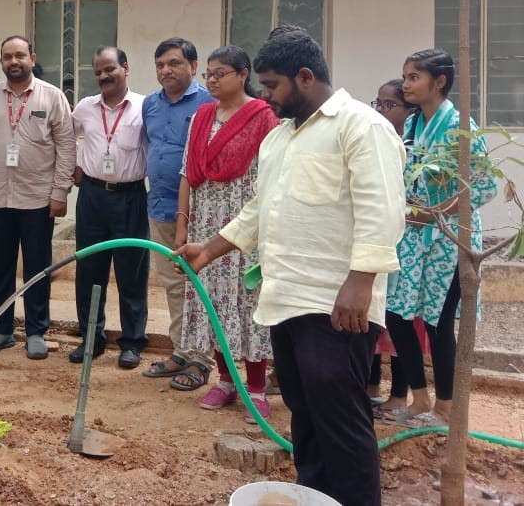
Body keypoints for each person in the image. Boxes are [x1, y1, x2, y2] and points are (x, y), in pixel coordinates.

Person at [177, 26, 404, 506]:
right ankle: (315, 497)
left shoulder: (360, 126)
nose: (265, 95)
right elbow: (260, 209)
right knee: (305, 416)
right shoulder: (280, 137)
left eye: (272, 85)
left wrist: (360, 281)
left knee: (341, 423)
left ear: (305, 77)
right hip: (283, 299)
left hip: (337, 305)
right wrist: (209, 249)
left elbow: (382, 208)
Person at [385, 50, 497, 427]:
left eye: (414, 77)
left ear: (440, 82)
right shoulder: (413, 123)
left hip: (449, 240)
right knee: (396, 314)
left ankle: (445, 408)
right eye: (405, 76)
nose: (406, 84)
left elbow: (484, 185)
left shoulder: (461, 127)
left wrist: (437, 211)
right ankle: (419, 399)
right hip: (412, 237)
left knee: (439, 322)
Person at [175, 46, 278, 420]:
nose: (213, 80)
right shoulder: (202, 116)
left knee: (248, 301)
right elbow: (187, 171)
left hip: (246, 223)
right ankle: (225, 381)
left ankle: (256, 388)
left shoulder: (264, 118)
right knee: (213, 300)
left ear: (243, 74)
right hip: (206, 222)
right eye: (209, 74)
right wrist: (183, 224)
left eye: (221, 73)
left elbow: (271, 177)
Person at [0, 35, 76, 360]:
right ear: (1, 61)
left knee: (38, 267)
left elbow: (67, 146)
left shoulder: (52, 96)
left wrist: (60, 191)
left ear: (32, 58)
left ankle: (36, 331)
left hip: (39, 199)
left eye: (20, 55)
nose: (14, 61)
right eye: (7, 56)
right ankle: (1, 330)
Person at [139, 37, 215, 388]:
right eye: (160, 65)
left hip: (199, 212)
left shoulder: (209, 104)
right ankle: (182, 351)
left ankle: (202, 360)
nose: (165, 70)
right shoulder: (150, 104)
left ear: (193, 66)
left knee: (200, 285)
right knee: (172, 284)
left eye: (174, 63)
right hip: (160, 206)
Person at [70, 46, 149, 369]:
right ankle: (91, 339)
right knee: (89, 271)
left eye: (110, 69)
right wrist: (75, 165)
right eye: (98, 72)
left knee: (132, 273)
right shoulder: (85, 108)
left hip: (131, 197)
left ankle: (132, 342)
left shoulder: (145, 107)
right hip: (92, 197)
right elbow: (65, 137)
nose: (104, 76)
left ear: (125, 68)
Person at [368, 79, 425, 416]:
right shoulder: (376, 138)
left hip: (408, 247)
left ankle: (400, 395)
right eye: (378, 103)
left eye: (389, 105)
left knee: (402, 323)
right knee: (373, 317)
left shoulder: (415, 146)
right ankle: (371, 385)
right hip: (379, 241)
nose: (381, 110)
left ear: (410, 110)